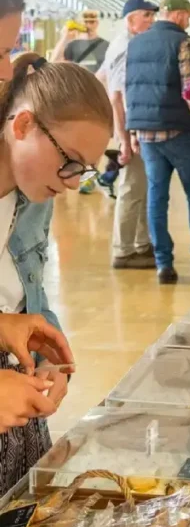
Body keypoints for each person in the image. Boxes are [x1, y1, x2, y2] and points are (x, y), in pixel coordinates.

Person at [0, 51, 112, 492]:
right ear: (22, 125)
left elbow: (29, 287)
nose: (70, 182)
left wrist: (48, 350)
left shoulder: (33, 195)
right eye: (69, 161)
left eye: (81, 171)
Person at [125, 0, 190, 285]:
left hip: (146, 134)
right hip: (179, 130)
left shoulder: (137, 42)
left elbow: (130, 87)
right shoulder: (183, 42)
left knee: (157, 196)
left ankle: (163, 264)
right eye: (188, 14)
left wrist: (132, 131)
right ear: (179, 14)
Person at [96, 0, 158, 269]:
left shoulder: (127, 45)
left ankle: (142, 244)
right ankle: (123, 250)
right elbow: (117, 96)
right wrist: (123, 139)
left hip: (134, 127)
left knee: (141, 187)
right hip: (131, 130)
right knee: (132, 189)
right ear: (131, 20)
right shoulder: (125, 48)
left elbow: (101, 79)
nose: (151, 20)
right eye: (146, 15)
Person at [52, 10, 109, 74]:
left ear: (97, 23)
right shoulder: (73, 45)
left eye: (91, 21)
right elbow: (54, 61)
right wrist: (64, 38)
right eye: (85, 21)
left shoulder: (106, 45)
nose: (87, 24)